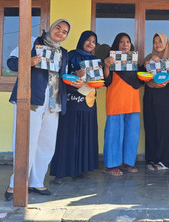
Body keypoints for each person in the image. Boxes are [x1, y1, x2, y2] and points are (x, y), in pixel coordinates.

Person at [5, 19, 80, 201]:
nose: (60, 33)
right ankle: (16, 184)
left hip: (53, 103)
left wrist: (75, 82)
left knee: (46, 145)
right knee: (25, 143)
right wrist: (28, 62)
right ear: (51, 27)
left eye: (64, 32)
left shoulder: (63, 53)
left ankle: (36, 181)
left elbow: (63, 79)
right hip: (31, 100)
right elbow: (11, 62)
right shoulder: (32, 42)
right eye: (58, 28)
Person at [49, 30, 100, 182]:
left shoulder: (96, 60)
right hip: (71, 102)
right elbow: (61, 75)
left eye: (94, 41)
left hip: (88, 103)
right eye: (88, 40)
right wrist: (75, 74)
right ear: (82, 40)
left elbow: (97, 82)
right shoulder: (70, 56)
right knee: (67, 137)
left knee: (85, 136)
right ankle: (61, 172)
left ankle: (82, 169)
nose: (91, 44)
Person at [102, 32, 143, 176]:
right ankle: (111, 165)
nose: (125, 44)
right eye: (121, 42)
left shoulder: (134, 62)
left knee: (132, 133)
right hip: (116, 100)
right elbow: (106, 81)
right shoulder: (110, 60)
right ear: (116, 45)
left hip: (132, 101)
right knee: (114, 133)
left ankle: (128, 162)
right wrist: (107, 66)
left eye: (128, 42)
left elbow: (141, 80)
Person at [142, 33, 169, 171]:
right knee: (150, 127)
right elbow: (141, 75)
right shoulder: (148, 58)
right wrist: (148, 65)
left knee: (164, 128)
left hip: (165, 96)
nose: (157, 44)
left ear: (166, 43)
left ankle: (164, 161)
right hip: (149, 95)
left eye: (160, 41)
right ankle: (151, 159)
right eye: (155, 42)